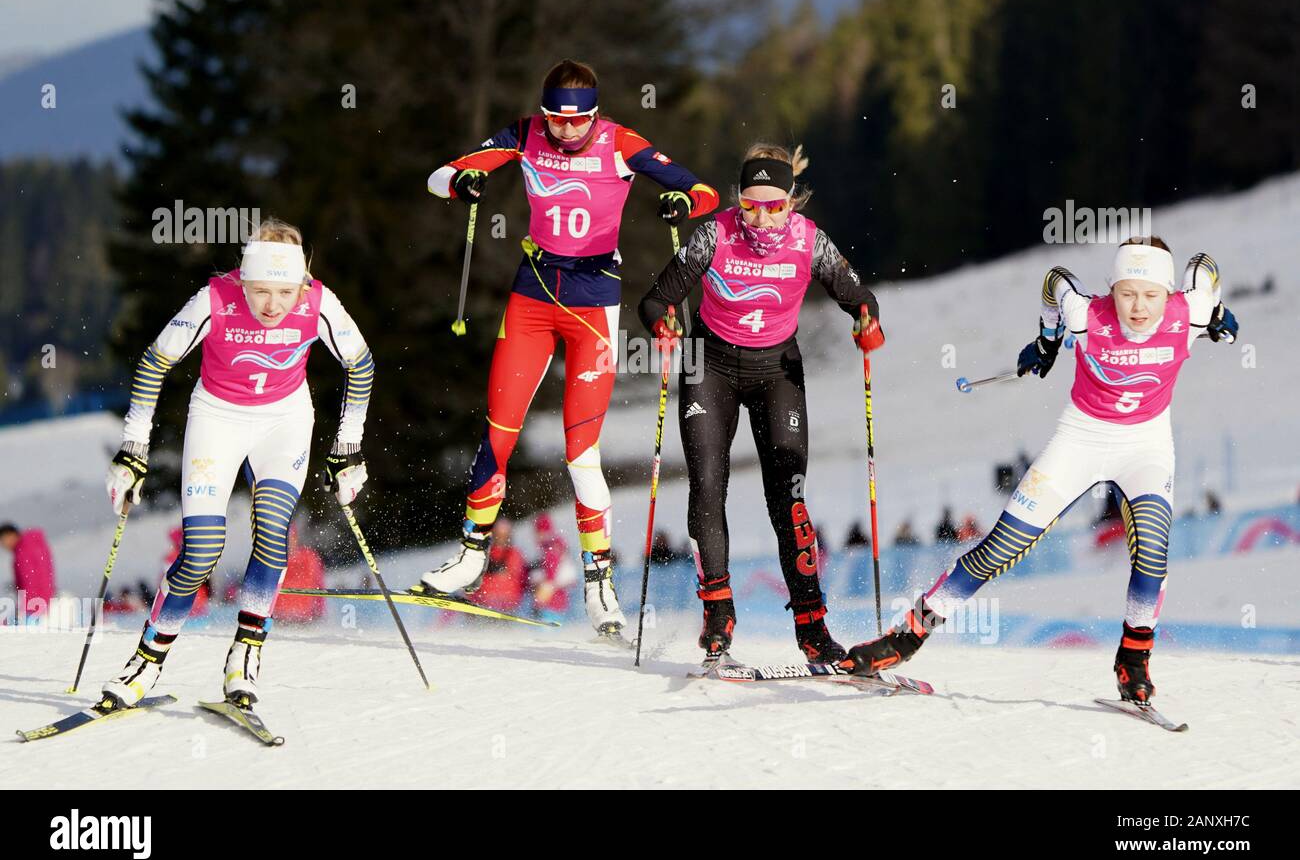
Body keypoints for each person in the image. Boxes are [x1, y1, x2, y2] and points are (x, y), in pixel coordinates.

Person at [844, 238, 1239, 705]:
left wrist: (1214, 311)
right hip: (1081, 441)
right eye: (1127, 293)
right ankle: (906, 639)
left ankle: (1133, 661)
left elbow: (1204, 265)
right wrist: (1048, 338)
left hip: (1145, 449)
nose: (1138, 307)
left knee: (1152, 559)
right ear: (1111, 289)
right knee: (997, 551)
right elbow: (1056, 279)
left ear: (1168, 293)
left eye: (1151, 295)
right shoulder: (1086, 315)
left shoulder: (1186, 309)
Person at [419, 59, 718, 641]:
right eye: (556, 120)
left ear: (595, 114)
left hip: (594, 306)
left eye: (576, 122)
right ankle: (472, 554)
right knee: (498, 432)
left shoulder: (620, 143)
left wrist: (683, 203)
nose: (564, 132)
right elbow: (440, 175)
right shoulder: (526, 132)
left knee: (581, 452)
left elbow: (700, 189)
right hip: (531, 296)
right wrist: (461, 182)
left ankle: (599, 582)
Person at [99, 218, 374, 710]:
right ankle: (146, 661)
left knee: (273, 538)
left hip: (284, 423)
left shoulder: (318, 302)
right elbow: (155, 361)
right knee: (201, 549)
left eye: (284, 293)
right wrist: (132, 449)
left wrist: (348, 448)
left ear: (302, 283)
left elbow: (361, 363)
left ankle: (245, 655)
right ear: (242, 280)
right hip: (217, 420)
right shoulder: (215, 298)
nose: (272, 305)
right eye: (260, 291)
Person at [638, 143, 882, 663]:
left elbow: (857, 293)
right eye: (751, 205)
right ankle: (719, 614)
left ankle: (813, 629)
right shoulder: (713, 234)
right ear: (738, 200)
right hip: (711, 366)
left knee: (788, 500)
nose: (764, 218)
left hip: (778, 372)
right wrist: (664, 323)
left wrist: (867, 321)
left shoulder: (810, 241)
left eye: (776, 206)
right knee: (708, 486)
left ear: (792, 202)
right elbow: (657, 297)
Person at [469, 518, 529, 614]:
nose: (501, 538)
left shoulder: (514, 553)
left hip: (508, 602)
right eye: (499, 535)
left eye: (504, 535)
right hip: (484, 601)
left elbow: (514, 574)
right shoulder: (486, 552)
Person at [0, 523, 55, 620]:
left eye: (3, 540)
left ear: (11, 535)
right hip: (41, 600)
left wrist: (26, 607)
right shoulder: (31, 545)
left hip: (35, 604)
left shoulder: (24, 550)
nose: (3, 545)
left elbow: (31, 580)